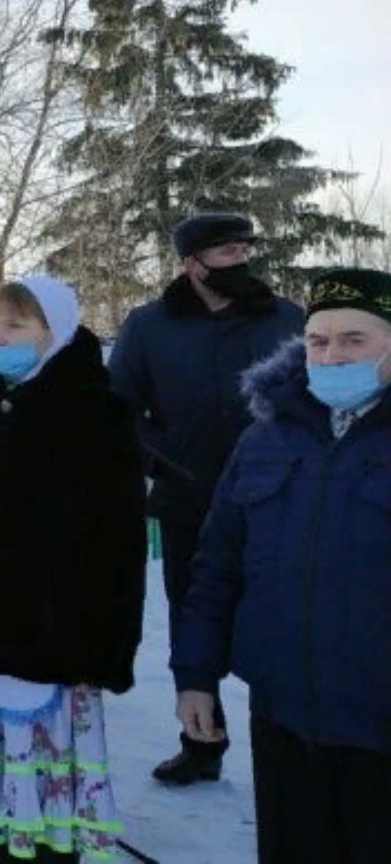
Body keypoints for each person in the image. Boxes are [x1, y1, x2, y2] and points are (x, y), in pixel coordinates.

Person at [0, 276, 146, 863]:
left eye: (17, 325)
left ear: (56, 331)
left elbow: (118, 544)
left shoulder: (95, 414)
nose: (0, 336)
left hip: (49, 651)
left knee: (45, 817)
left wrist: (107, 649)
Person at [172, 268, 391, 864]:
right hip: (284, 720)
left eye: (355, 339)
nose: (332, 354)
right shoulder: (266, 438)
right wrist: (195, 674)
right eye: (319, 340)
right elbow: (217, 566)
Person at [108, 211, 305, 785]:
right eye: (225, 254)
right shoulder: (149, 325)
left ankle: (291, 742)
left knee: (282, 618)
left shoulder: (286, 318)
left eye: (244, 250)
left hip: (275, 500)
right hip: (187, 500)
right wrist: (161, 457)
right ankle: (201, 743)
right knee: (195, 618)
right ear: (192, 265)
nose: (239, 262)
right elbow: (120, 409)